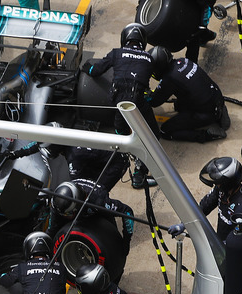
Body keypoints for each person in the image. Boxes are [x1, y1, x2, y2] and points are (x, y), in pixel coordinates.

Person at [82, 23, 160, 189]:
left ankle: (122, 156)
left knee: (121, 133)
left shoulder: (116, 53)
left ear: (124, 39)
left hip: (120, 105)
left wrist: (86, 67)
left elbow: (96, 70)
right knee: (152, 135)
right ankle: (140, 172)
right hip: (139, 103)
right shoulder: (149, 58)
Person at [148, 46, 230, 143]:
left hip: (207, 113)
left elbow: (154, 101)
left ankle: (206, 135)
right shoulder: (182, 61)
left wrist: (147, 93)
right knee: (178, 105)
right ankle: (220, 111)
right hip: (217, 98)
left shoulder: (169, 79)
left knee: (164, 131)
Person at [48, 180, 135, 257]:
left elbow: (127, 212)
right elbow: (51, 230)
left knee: (114, 246)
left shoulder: (99, 201)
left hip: (98, 214)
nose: (66, 217)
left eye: (69, 214)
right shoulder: (56, 204)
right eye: (64, 215)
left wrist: (126, 241)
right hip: (75, 208)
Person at [199, 157, 242, 241]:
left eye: (218, 183)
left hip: (233, 248)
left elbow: (241, 240)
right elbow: (205, 206)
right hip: (221, 241)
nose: (216, 185)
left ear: (227, 183)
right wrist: (185, 224)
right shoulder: (221, 190)